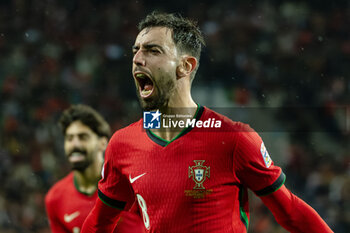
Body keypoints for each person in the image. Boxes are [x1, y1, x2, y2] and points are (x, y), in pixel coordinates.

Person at [81, 12, 333, 233]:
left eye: (152, 50)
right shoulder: (123, 144)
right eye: (136, 50)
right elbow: (99, 223)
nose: (137, 58)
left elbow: (289, 210)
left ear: (185, 66)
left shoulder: (232, 138)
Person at [45, 104, 144, 233]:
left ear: (102, 143)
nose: (75, 144)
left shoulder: (131, 182)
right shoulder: (55, 198)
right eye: (69, 138)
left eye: (82, 137)